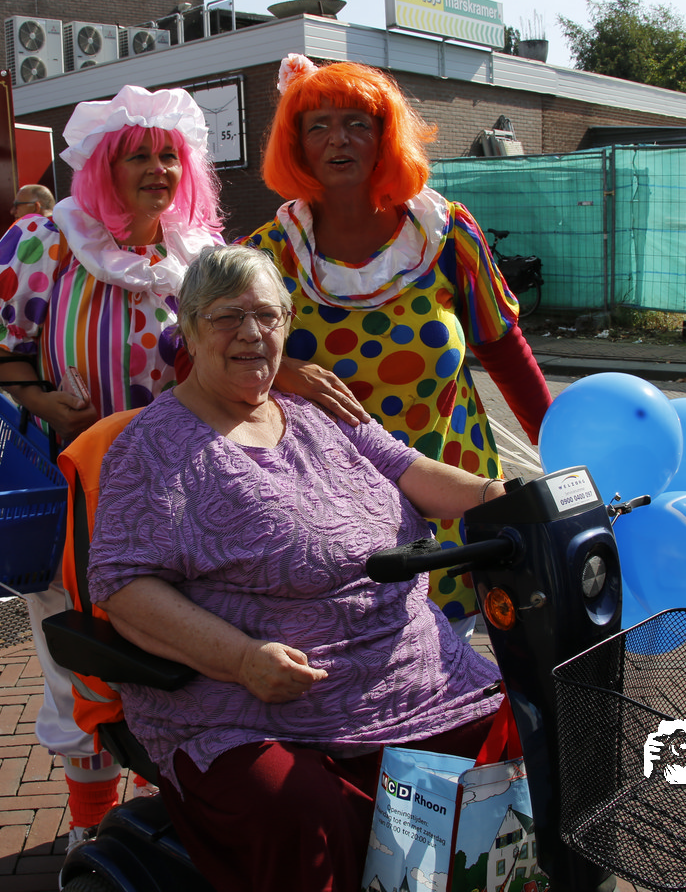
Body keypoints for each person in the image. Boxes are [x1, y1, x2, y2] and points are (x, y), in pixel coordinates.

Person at [86, 245, 515, 892]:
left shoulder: (319, 415)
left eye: (268, 315)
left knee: (518, 742)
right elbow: (123, 586)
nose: (252, 333)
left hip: (405, 675)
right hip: (251, 706)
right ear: (191, 331)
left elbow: (408, 469)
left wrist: (501, 497)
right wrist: (242, 659)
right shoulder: (154, 446)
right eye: (228, 317)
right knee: (298, 812)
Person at [0, 84, 222, 841]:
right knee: (80, 660)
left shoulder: (198, 254)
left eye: (168, 156)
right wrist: (44, 403)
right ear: (102, 168)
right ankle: (91, 829)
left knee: (177, 655)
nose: (157, 169)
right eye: (137, 156)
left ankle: (171, 814)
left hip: (182, 495)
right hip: (76, 494)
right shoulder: (46, 242)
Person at [244, 55, 551, 626]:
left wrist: (563, 453)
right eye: (318, 126)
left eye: (357, 123)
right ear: (296, 145)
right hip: (328, 515)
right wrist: (280, 371)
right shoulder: (268, 254)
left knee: (454, 654)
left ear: (385, 137)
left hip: (454, 499)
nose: (338, 139)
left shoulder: (446, 233)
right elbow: (206, 359)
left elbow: (504, 348)